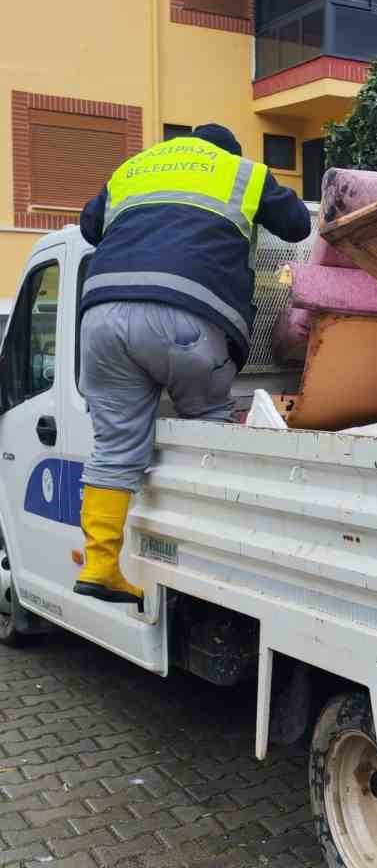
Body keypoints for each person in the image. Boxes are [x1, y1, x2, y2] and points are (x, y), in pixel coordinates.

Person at [74, 123, 311, 604]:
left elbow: (89, 228)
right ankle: (213, 567)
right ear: (228, 151)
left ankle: (100, 565)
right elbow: (298, 227)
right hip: (185, 315)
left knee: (114, 448)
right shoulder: (242, 171)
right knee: (208, 425)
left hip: (100, 317)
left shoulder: (133, 169)